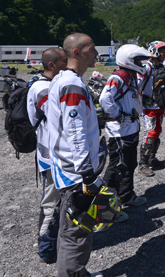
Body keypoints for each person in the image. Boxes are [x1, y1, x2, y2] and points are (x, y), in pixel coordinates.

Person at [46, 33, 106, 277]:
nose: (96, 54)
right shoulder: (72, 85)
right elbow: (76, 131)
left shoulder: (65, 80)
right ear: (77, 53)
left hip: (67, 168)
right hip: (76, 173)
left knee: (68, 227)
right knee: (77, 232)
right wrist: (87, 174)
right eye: (92, 49)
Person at [99, 44, 151, 222]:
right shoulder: (118, 77)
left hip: (130, 128)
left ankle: (126, 196)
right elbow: (105, 98)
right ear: (129, 60)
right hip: (119, 131)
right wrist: (117, 114)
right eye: (138, 60)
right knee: (116, 169)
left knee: (129, 164)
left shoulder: (130, 77)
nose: (140, 64)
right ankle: (105, 209)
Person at [27, 47, 67, 264]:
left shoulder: (46, 84)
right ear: (52, 65)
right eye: (64, 61)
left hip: (54, 153)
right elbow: (57, 116)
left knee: (58, 200)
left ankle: (55, 241)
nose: (68, 64)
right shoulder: (42, 88)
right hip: (50, 155)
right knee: (51, 202)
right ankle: (47, 249)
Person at [138, 40, 165, 177]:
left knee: (157, 131)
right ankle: (143, 164)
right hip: (148, 107)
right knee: (150, 133)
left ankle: (152, 158)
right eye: (162, 50)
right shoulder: (147, 67)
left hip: (159, 105)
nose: (164, 53)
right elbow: (138, 85)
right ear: (155, 51)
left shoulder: (161, 67)